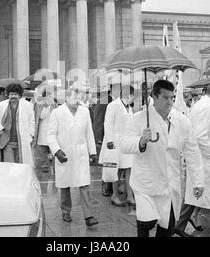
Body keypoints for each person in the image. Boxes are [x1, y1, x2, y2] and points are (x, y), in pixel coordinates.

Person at [119, 80, 205, 237]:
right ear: (154, 97)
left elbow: (192, 152)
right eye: (165, 98)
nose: (170, 102)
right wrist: (140, 141)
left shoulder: (182, 121)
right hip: (146, 184)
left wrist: (198, 181)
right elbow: (124, 144)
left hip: (170, 184)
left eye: (172, 98)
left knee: (167, 229)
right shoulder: (139, 119)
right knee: (145, 223)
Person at [175, 81, 210, 237]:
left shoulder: (209, 106)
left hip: (204, 160)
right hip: (207, 160)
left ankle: (179, 225)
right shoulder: (205, 107)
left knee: (196, 195)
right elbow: (200, 136)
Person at [47, 88, 99, 227]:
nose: (77, 101)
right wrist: (57, 151)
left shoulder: (85, 111)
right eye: (74, 98)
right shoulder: (57, 113)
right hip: (64, 153)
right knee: (65, 184)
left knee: (84, 184)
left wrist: (92, 152)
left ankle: (89, 216)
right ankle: (66, 211)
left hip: (81, 154)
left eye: (79, 98)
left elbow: (89, 133)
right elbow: (51, 135)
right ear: (66, 98)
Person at [99, 85, 135, 207]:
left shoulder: (129, 107)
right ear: (127, 95)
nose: (133, 98)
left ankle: (130, 196)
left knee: (129, 167)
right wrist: (109, 140)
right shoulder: (113, 105)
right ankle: (114, 195)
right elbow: (107, 123)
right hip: (115, 141)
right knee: (116, 170)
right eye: (132, 95)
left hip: (126, 141)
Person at [0, 83, 35, 166]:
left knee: (21, 165)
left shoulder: (28, 106)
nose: (13, 96)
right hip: (6, 141)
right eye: (11, 94)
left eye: (15, 94)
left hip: (22, 140)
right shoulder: (0, 106)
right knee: (10, 165)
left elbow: (32, 121)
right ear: (8, 95)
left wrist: (31, 134)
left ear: (19, 95)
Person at [33, 91, 57, 173]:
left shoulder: (55, 105)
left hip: (53, 130)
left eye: (50, 96)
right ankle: (45, 166)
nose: (49, 98)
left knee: (54, 149)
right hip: (43, 131)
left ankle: (55, 166)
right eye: (47, 96)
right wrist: (46, 107)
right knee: (42, 150)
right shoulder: (40, 105)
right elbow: (41, 116)